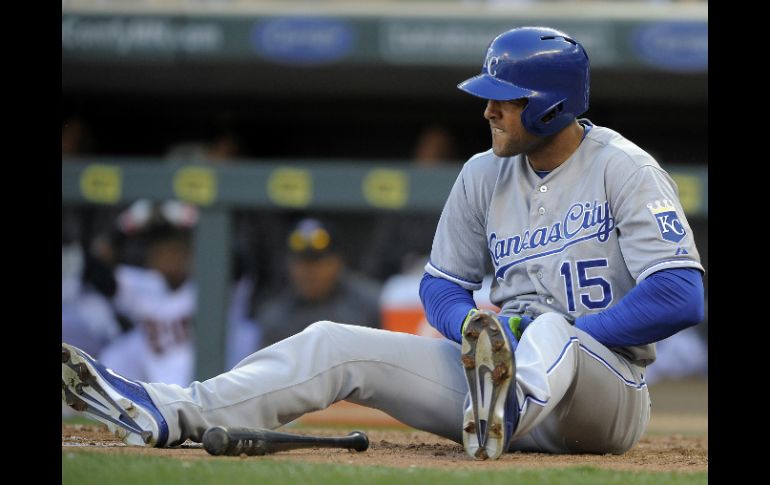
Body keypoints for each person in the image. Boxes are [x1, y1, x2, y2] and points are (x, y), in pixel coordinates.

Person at [61, 26, 704, 460]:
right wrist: (472, 330)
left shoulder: (624, 167)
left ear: (551, 106)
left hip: (603, 392)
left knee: (552, 330)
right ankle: (170, 411)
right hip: (498, 387)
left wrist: (559, 332)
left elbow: (681, 294)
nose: (488, 111)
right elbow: (441, 285)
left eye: (504, 100)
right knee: (334, 342)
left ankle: (505, 401)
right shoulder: (483, 172)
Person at [255, 217, 381, 349]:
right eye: (301, 263)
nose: (309, 272)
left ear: (338, 262)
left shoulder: (372, 305)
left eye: (317, 262)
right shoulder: (276, 317)